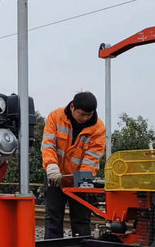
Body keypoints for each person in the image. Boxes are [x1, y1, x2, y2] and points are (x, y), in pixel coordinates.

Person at [41, 91, 106, 239]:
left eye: (89, 115)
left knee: (81, 219)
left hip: (81, 178)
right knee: (53, 216)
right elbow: (48, 144)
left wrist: (82, 180)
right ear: (72, 107)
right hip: (54, 173)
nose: (85, 118)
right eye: (82, 114)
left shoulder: (98, 128)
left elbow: (92, 158)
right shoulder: (55, 117)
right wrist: (51, 166)